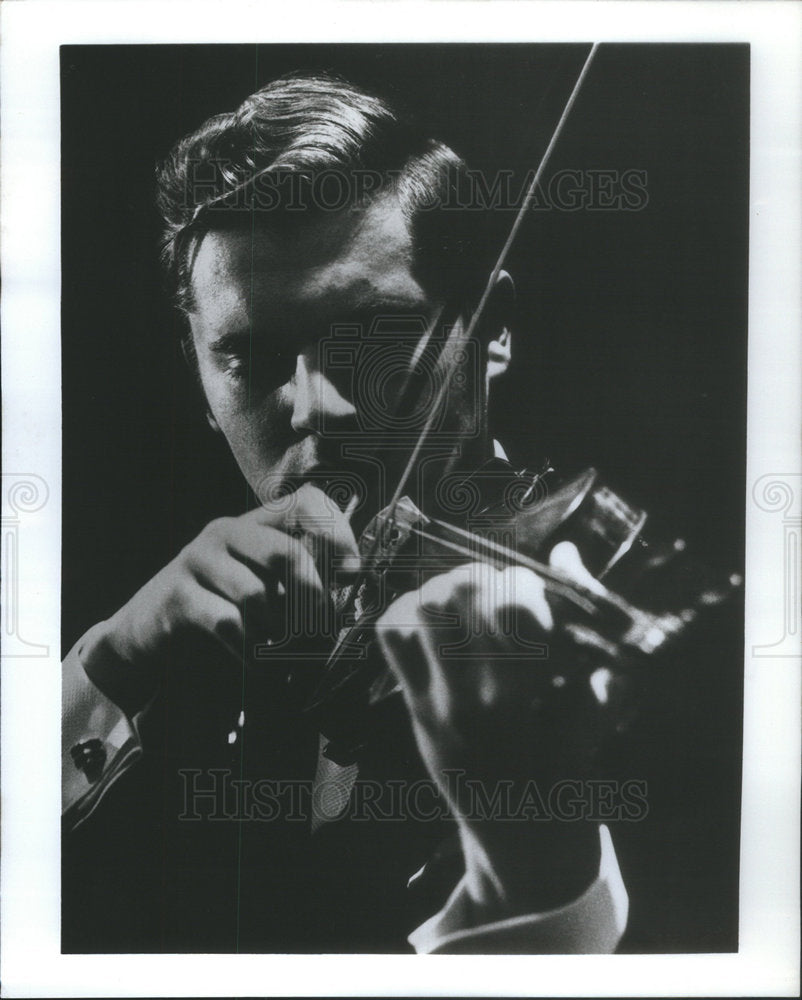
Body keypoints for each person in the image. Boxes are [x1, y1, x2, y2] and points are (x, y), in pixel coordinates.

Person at [62, 71, 635, 954]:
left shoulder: (599, 613)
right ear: (202, 380)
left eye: (376, 336)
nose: (316, 407)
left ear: (491, 328)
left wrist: (538, 862)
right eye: (251, 359)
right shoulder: (188, 655)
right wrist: (109, 666)